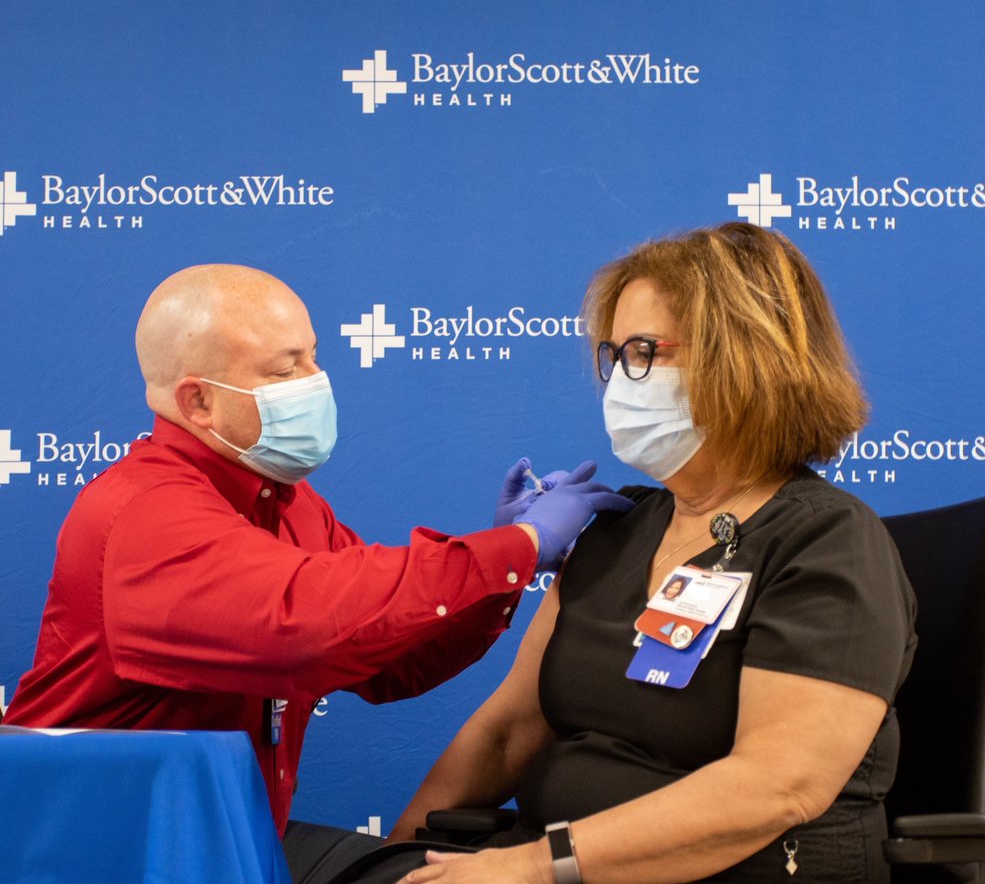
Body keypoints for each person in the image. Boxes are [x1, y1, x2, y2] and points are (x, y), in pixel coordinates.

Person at [281, 223, 917, 884]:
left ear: (746, 353)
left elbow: (778, 785)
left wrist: (538, 867)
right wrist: (402, 859)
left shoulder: (825, 541)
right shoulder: (614, 535)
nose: (623, 378)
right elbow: (508, 726)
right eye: (613, 354)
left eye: (647, 351)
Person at [1, 264, 631, 837]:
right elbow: (303, 623)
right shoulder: (143, 513)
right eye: (284, 370)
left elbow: (391, 658)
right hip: (78, 869)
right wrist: (514, 546)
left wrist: (504, 575)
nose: (315, 382)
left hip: (212, 852)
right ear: (198, 400)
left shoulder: (288, 500)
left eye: (313, 357)